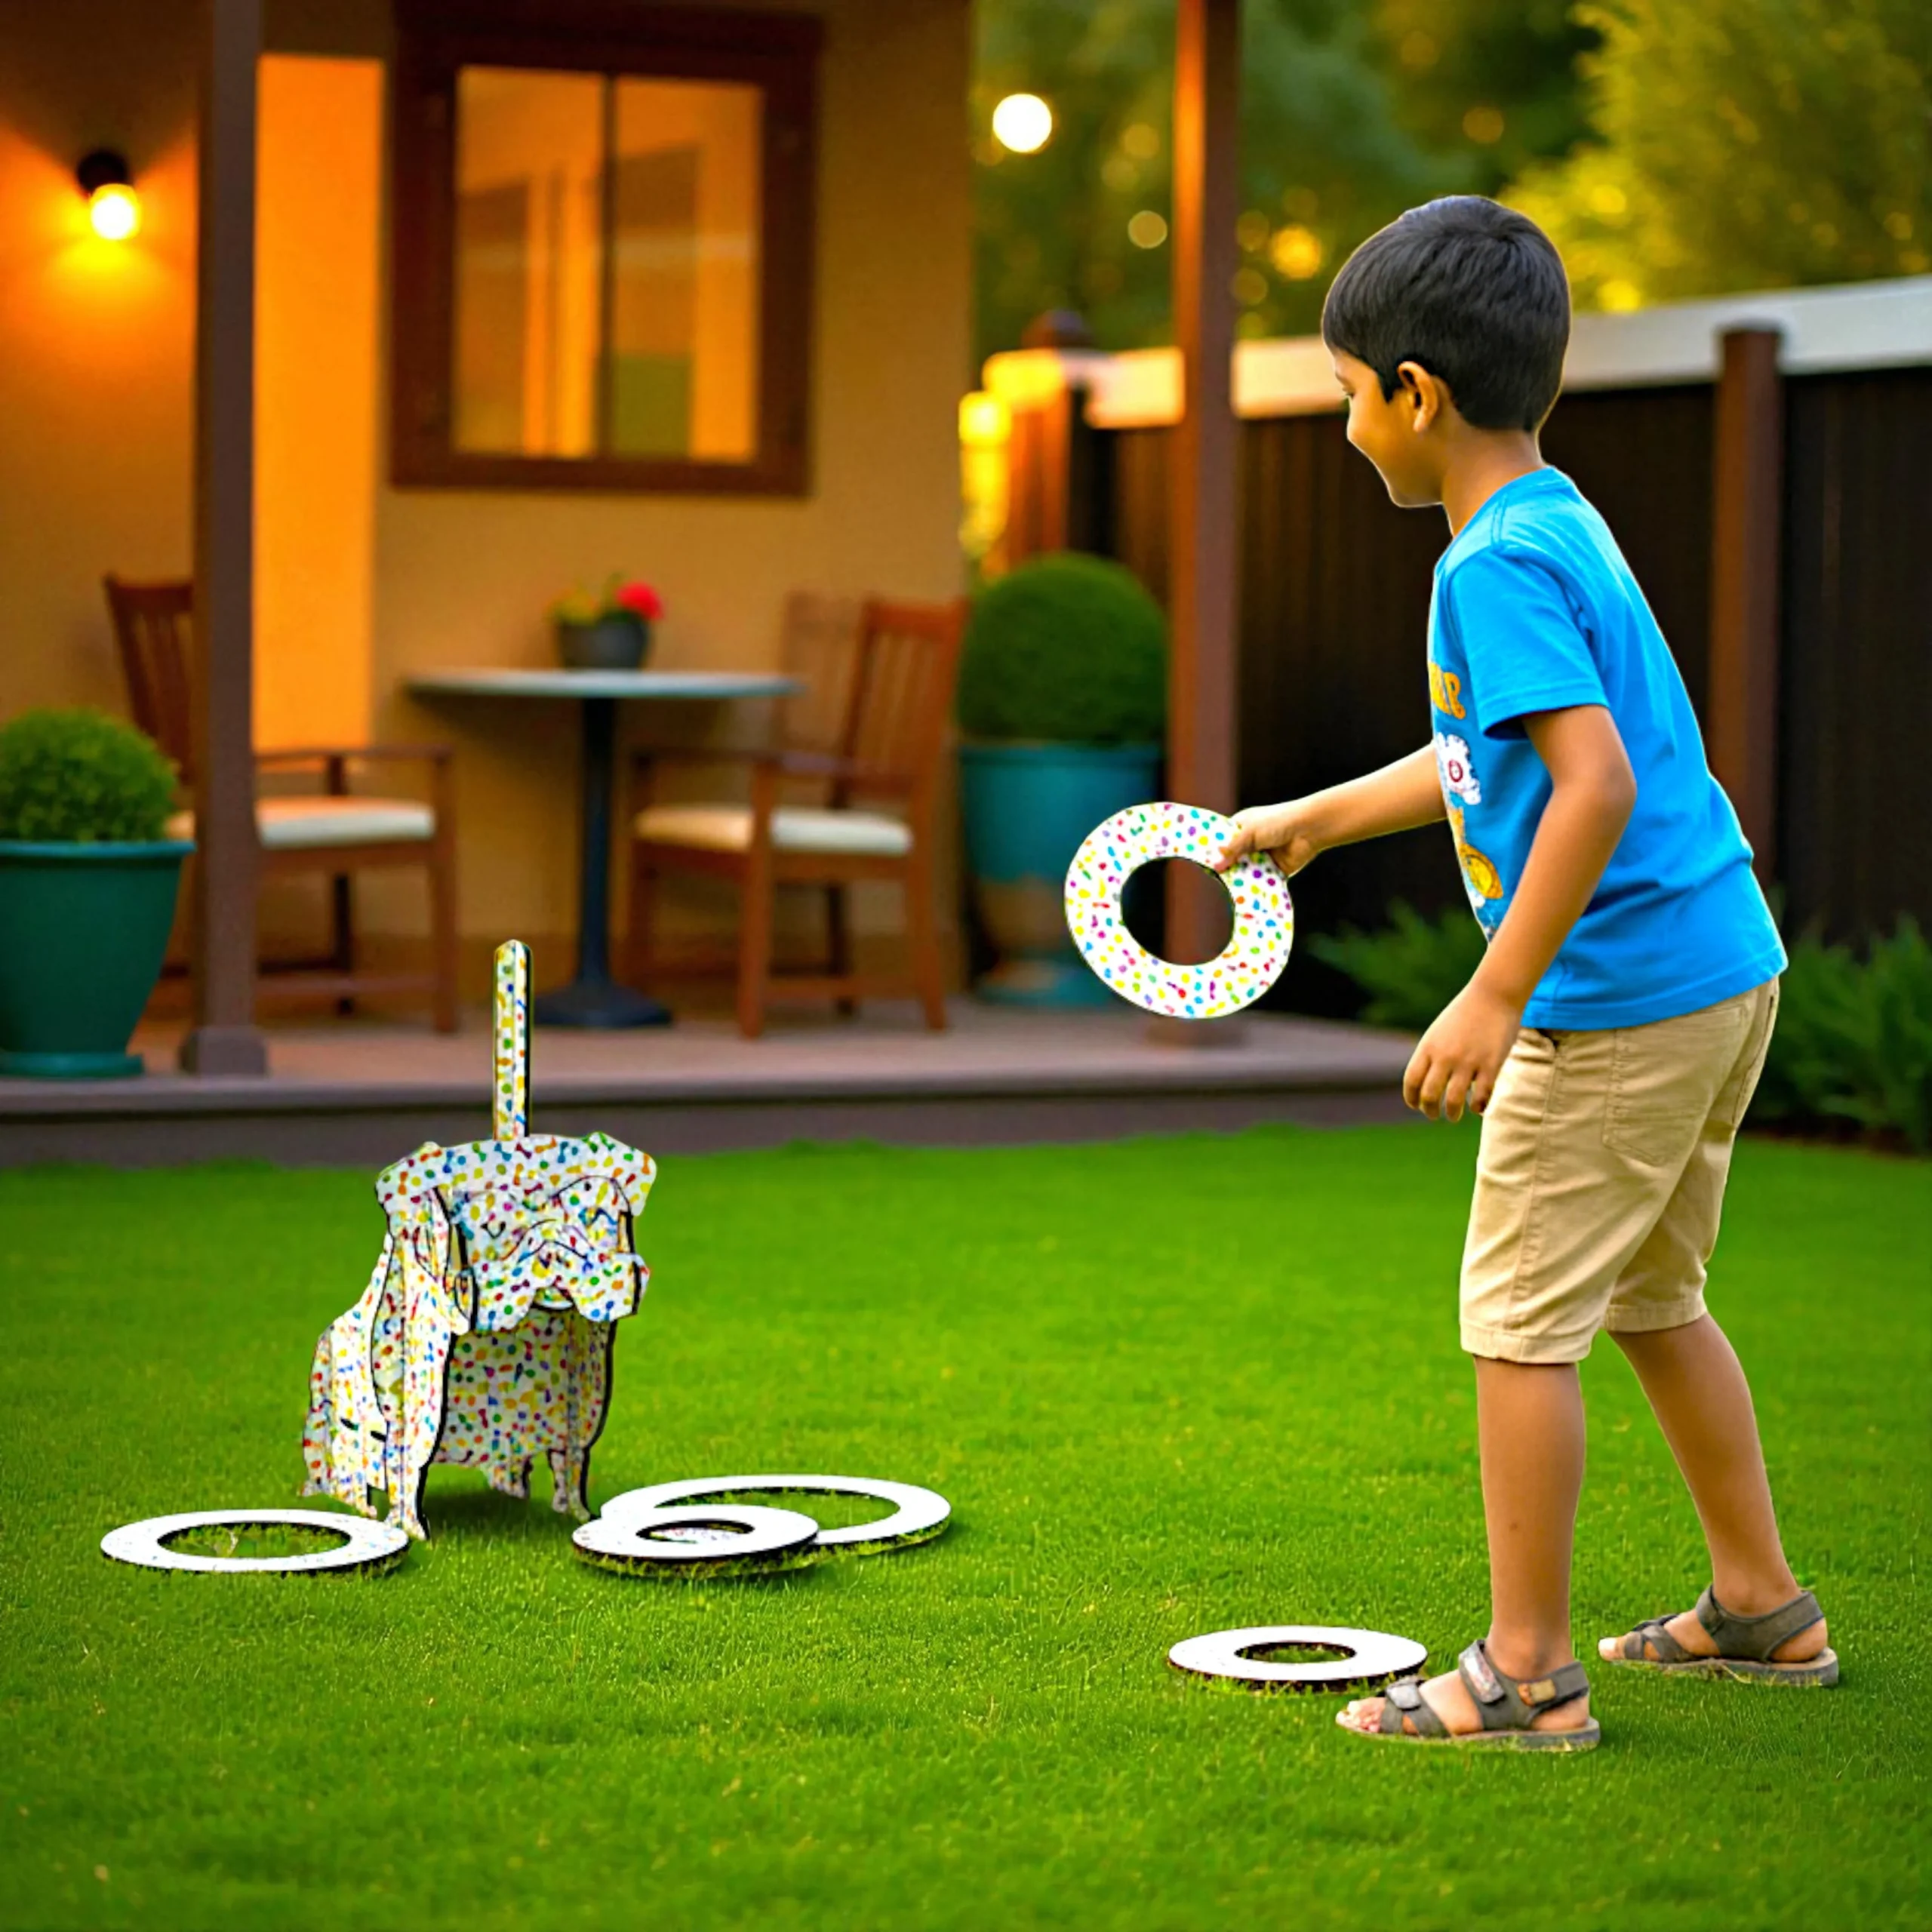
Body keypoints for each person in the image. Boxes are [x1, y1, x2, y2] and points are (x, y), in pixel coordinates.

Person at [1216, 197, 1835, 1751]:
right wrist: (1312, 820)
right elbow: (1485, 758)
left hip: (1615, 1002)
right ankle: (1758, 1604)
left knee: (1516, 1321)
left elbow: (1593, 781)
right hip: (1717, 968)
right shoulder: (1555, 516)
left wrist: (1494, 990)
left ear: (1412, 393)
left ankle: (1523, 1669)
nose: (1345, 422)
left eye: (1346, 390)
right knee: (1649, 1290)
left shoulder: (1483, 567)